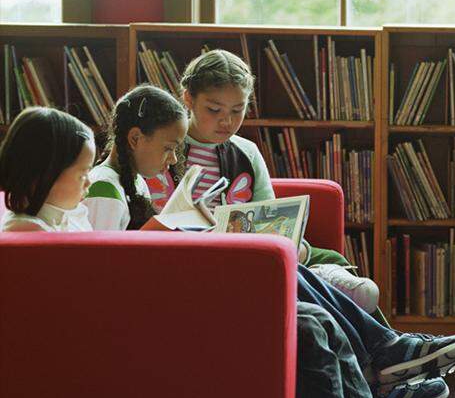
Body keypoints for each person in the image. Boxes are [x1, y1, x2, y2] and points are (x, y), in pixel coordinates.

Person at [0, 106, 455, 398]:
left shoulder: (64, 219)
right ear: (45, 171)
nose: (86, 182)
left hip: (149, 322)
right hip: (141, 338)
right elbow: (102, 303)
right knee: (305, 318)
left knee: (313, 322)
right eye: (80, 172)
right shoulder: (31, 234)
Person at [82, 85, 455, 398]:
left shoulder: (128, 180)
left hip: (178, 282)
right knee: (279, 270)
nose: (170, 160)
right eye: (167, 148)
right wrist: (170, 225)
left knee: (287, 266)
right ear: (135, 138)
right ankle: (386, 356)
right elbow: (111, 273)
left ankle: (387, 353)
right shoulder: (105, 187)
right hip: (163, 303)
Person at [147, 49, 379, 312]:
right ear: (188, 98)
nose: (227, 120)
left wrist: (287, 239)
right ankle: (322, 281)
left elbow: (267, 213)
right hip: (186, 253)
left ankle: (389, 340)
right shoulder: (164, 146)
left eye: (238, 109)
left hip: (243, 249)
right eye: (214, 109)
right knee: (312, 267)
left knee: (321, 255)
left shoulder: (246, 151)